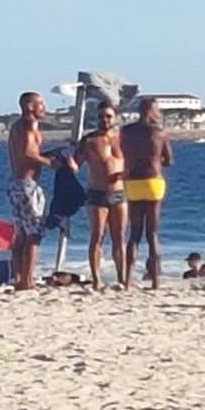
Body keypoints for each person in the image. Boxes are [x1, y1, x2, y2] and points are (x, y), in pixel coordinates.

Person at [7, 92, 60, 291]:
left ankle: (18, 276)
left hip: (16, 184)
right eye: (41, 104)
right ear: (30, 106)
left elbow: (27, 152)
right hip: (27, 185)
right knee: (34, 234)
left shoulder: (16, 126)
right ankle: (26, 281)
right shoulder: (29, 125)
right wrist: (49, 163)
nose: (44, 108)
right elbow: (28, 153)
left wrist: (49, 154)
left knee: (22, 233)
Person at [72, 101, 127, 291]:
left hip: (119, 193)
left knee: (119, 238)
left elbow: (133, 163)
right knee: (97, 236)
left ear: (115, 118)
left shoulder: (122, 139)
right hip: (97, 193)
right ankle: (97, 279)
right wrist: (67, 157)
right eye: (101, 116)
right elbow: (76, 166)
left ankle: (123, 278)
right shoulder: (90, 141)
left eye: (108, 116)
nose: (104, 120)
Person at [121, 97, 173, 290]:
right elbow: (169, 160)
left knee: (134, 233)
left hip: (133, 181)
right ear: (151, 111)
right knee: (152, 233)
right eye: (157, 110)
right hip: (153, 180)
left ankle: (126, 280)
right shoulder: (159, 132)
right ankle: (155, 281)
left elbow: (123, 154)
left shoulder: (126, 132)